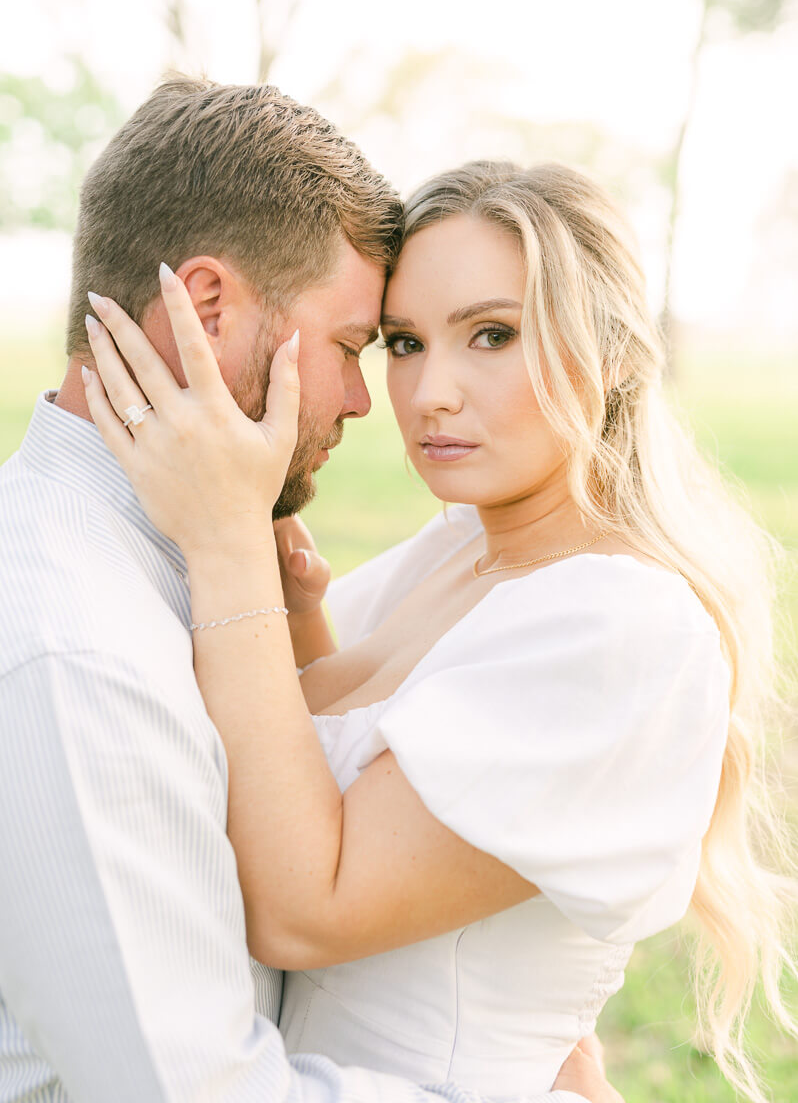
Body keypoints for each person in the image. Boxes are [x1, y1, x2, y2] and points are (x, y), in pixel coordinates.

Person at [78, 158, 797, 1102]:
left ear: (615, 353)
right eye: (405, 343)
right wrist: (293, 616)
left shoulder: (624, 627)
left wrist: (228, 557)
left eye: (491, 335)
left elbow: (306, 909)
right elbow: (355, 770)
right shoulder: (461, 546)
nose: (429, 395)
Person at [0, 78, 612, 1103]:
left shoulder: (160, 567)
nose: (370, 399)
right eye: (351, 346)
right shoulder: (78, 648)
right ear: (206, 308)